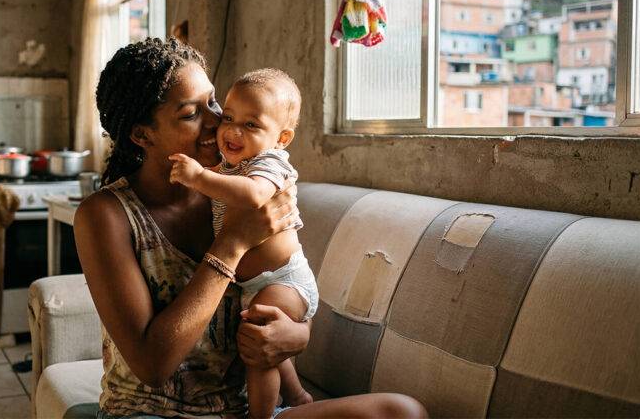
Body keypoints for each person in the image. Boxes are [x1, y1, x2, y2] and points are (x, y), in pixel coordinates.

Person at [74, 37, 428, 419]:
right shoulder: (107, 215)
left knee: (402, 412)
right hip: (152, 413)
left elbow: (279, 281)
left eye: (213, 102)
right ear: (143, 135)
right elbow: (152, 365)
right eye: (191, 114)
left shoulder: (239, 186)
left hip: (247, 410)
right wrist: (233, 243)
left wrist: (296, 335)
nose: (217, 121)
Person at [168, 69, 317, 419]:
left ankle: (260, 415)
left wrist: (199, 177)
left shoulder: (269, 163)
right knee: (264, 339)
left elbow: (253, 195)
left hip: (283, 279)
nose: (233, 131)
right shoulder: (228, 167)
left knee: (255, 345)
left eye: (251, 125)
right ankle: (296, 396)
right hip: (253, 285)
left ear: (282, 138)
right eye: (229, 118)